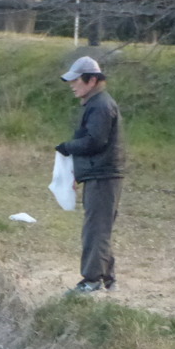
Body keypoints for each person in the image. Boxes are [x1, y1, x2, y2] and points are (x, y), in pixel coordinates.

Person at [55, 56, 126, 293]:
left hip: (104, 175)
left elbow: (95, 141)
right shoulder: (95, 104)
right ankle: (107, 278)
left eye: (76, 80)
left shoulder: (101, 106)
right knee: (98, 226)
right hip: (99, 173)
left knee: (96, 228)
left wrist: (68, 147)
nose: (73, 85)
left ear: (92, 80)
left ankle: (91, 281)